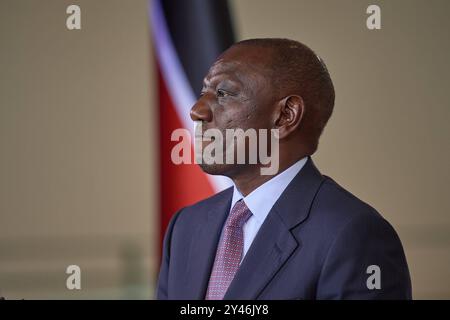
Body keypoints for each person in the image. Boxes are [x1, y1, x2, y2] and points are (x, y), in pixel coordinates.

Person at [156, 38, 412, 300]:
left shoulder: (355, 235)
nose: (196, 110)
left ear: (286, 115)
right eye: (203, 93)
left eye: (223, 93)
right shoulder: (186, 226)